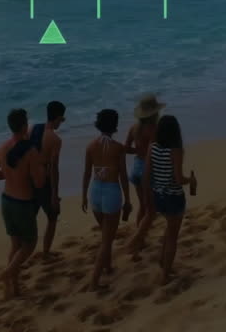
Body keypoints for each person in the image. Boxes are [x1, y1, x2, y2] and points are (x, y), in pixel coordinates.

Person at [129, 114, 197, 284]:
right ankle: (165, 274)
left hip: (157, 195)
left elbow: (146, 175)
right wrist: (191, 180)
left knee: (169, 228)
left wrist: (147, 196)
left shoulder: (153, 147)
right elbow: (178, 178)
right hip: (173, 197)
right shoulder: (176, 150)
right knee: (173, 235)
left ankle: (162, 261)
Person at [0, 108, 47, 299]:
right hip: (22, 203)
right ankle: (7, 274)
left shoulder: (1, 148)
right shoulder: (30, 151)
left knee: (15, 245)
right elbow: (39, 183)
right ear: (24, 126)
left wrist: (10, 175)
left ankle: (13, 288)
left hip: (7, 201)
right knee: (29, 244)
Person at [80, 108, 132, 289]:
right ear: (115, 125)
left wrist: (83, 196)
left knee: (105, 233)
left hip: (95, 190)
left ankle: (108, 266)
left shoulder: (90, 146)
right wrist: (128, 199)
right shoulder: (118, 148)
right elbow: (123, 176)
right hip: (111, 191)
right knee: (107, 238)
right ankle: (94, 280)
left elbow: (87, 173)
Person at [29, 100, 65, 257]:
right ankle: (46, 252)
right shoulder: (55, 139)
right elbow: (54, 169)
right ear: (57, 117)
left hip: (30, 178)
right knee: (52, 216)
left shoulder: (33, 129)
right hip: (44, 182)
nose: (61, 123)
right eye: (62, 119)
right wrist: (54, 196)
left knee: (30, 217)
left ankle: (22, 250)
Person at [124, 94, 163, 225]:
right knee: (151, 208)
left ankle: (140, 232)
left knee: (142, 205)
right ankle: (139, 237)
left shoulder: (133, 128)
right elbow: (156, 153)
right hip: (148, 169)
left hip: (136, 168)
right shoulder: (155, 129)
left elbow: (126, 148)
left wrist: (138, 150)